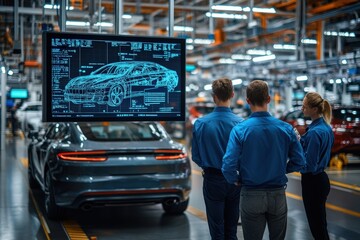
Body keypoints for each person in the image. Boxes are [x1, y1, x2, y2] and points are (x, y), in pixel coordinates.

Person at [222, 80, 306, 240]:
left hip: (251, 194)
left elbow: (228, 165)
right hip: (277, 195)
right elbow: (300, 161)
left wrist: (236, 180)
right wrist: (282, 169)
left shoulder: (240, 130)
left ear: (247, 101)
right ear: (269, 99)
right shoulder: (285, 128)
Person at [191, 77, 243, 240]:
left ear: (214, 96)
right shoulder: (241, 124)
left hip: (213, 179)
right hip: (235, 181)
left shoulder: (201, 124)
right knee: (232, 229)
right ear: (232, 95)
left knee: (217, 230)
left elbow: (196, 156)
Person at [300, 92, 334, 240]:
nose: (302, 109)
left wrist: (288, 167)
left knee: (317, 227)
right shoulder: (326, 128)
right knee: (320, 224)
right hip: (321, 180)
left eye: (304, 106)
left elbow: (309, 166)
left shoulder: (314, 132)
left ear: (314, 109)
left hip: (312, 182)